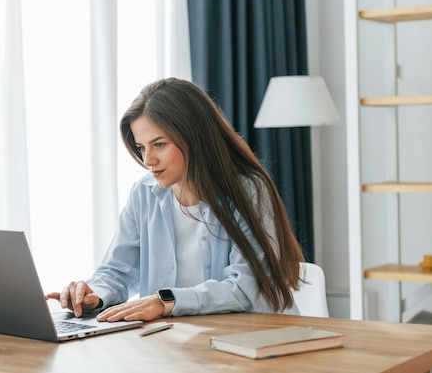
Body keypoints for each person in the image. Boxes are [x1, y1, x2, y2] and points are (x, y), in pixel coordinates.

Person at [46, 77, 305, 322]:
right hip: (180, 341)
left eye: (159, 144)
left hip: (255, 343)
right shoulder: (143, 193)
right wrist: (94, 295)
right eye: (141, 148)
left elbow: (243, 289)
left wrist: (165, 301)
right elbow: (116, 271)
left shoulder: (248, 191)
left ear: (194, 137)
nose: (148, 161)